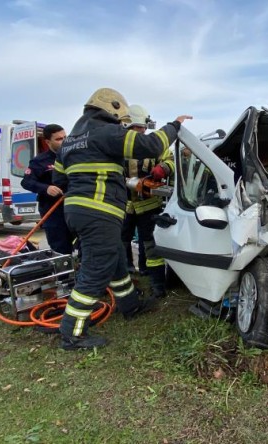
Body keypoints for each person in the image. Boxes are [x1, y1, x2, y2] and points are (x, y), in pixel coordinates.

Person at [52, 87, 191, 350]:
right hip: (99, 212)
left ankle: (130, 305)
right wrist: (175, 126)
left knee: (116, 258)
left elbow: (59, 179)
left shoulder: (70, 141)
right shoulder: (106, 132)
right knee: (96, 270)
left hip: (77, 211)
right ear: (113, 109)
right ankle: (72, 333)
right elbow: (152, 145)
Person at [120, 104, 175, 298]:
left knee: (151, 245)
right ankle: (125, 278)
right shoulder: (118, 146)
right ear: (127, 127)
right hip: (124, 206)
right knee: (121, 243)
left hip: (149, 205)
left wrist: (164, 168)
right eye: (138, 128)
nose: (142, 131)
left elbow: (170, 160)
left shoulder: (154, 145)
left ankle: (157, 284)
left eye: (143, 128)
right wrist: (128, 182)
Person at [21, 124, 73, 254]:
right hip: (53, 210)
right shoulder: (40, 161)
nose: (64, 141)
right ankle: (62, 268)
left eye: (65, 137)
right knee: (60, 248)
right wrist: (46, 188)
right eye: (59, 139)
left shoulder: (74, 157)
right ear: (48, 142)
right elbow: (26, 182)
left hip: (74, 207)